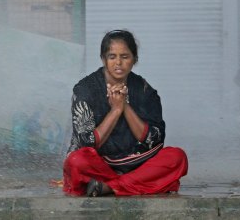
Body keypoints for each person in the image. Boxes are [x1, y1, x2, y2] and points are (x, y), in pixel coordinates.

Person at [62, 30, 188, 196]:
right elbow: (87, 143)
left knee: (177, 157)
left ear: (134, 59)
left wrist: (125, 107)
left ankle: (109, 187)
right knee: (76, 161)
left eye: (125, 56)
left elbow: (155, 140)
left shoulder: (145, 90)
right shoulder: (85, 90)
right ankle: (132, 184)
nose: (118, 63)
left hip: (138, 163)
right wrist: (115, 110)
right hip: (99, 166)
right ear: (103, 59)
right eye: (112, 56)